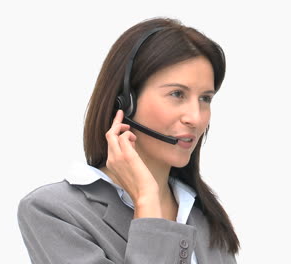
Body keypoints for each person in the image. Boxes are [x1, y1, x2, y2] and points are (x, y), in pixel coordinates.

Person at [17, 17, 240, 263]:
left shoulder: (204, 217)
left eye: (205, 98)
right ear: (125, 102)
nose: (195, 118)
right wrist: (147, 202)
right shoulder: (54, 211)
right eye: (177, 94)